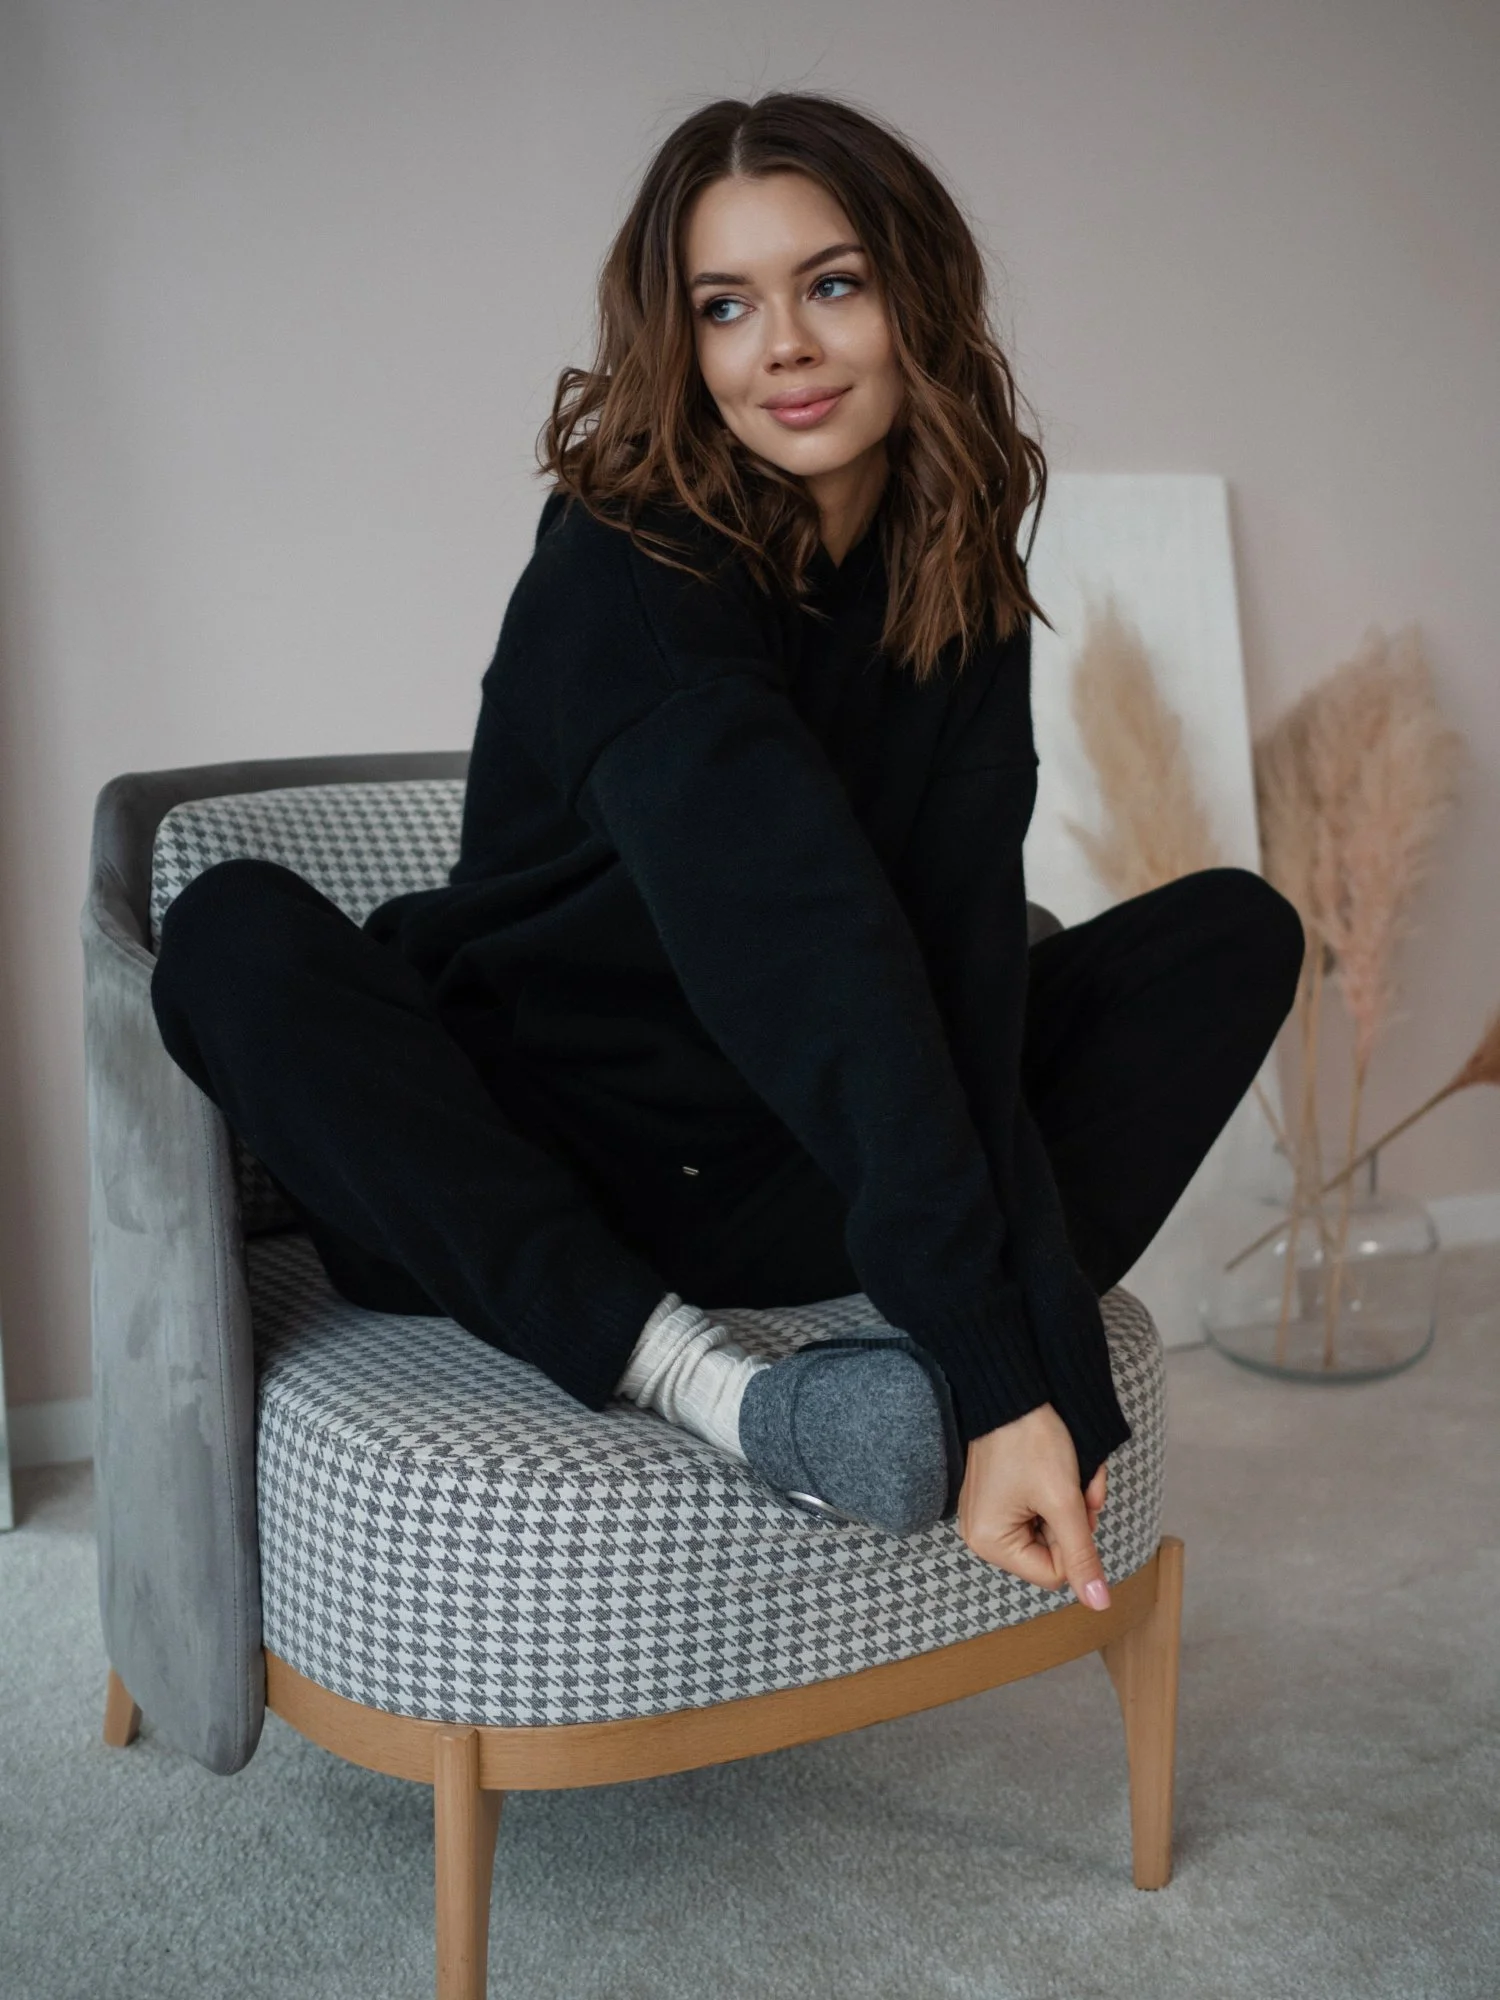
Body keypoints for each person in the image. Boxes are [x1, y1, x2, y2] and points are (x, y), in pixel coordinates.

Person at [150, 91, 1303, 1616]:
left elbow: (955, 968)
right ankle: (728, 1392)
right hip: (519, 1161)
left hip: (774, 1163)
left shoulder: (952, 575)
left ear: (915, 293)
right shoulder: (628, 563)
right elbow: (805, 945)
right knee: (226, 927)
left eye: (833, 283)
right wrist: (991, 1361)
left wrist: (1036, 1382)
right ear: (680, 342)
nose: (785, 349)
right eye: (726, 306)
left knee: (1229, 934)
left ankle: (919, 1365)